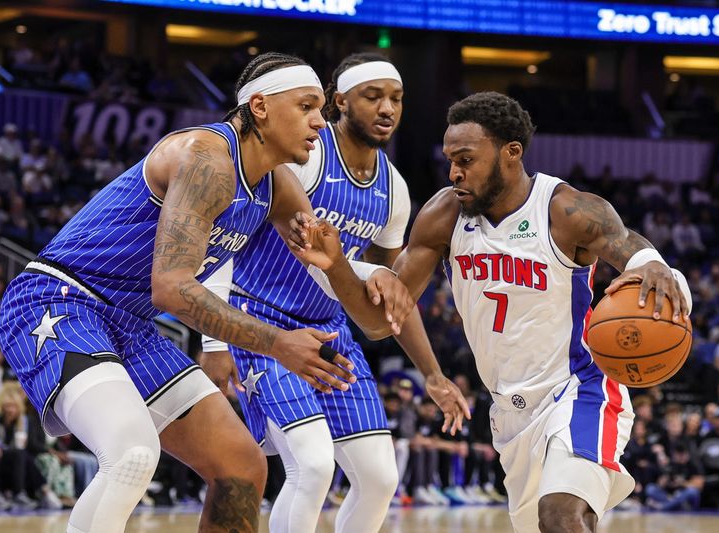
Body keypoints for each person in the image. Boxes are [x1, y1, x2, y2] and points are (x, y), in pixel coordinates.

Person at [0, 52, 409, 533]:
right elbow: (172, 289)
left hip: (131, 324)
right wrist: (277, 342)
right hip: (60, 300)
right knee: (132, 454)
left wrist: (364, 272)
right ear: (259, 107)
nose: (320, 121)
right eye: (306, 106)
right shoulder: (206, 157)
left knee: (240, 467)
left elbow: (340, 280)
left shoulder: (277, 185)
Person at [295, 91, 692, 532]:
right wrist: (336, 266)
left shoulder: (563, 210)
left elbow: (628, 245)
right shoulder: (445, 215)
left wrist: (652, 264)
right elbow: (377, 321)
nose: (454, 173)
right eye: (449, 160)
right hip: (509, 413)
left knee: (560, 516)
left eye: (466, 159)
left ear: (511, 153)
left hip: (580, 390)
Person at [201, 53, 469, 533]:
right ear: (339, 101)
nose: (387, 108)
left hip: (331, 331)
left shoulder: (395, 189)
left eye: (397, 99)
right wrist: (215, 342)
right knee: (314, 466)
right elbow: (227, 237)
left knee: (380, 476)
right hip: (263, 321)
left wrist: (433, 374)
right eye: (373, 97)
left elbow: (389, 296)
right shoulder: (305, 156)